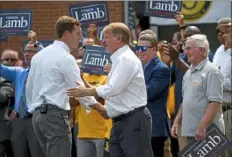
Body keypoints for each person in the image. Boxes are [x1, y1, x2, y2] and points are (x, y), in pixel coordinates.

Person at [66, 22, 154, 157]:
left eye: (106, 37)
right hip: (120, 121)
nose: (103, 41)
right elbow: (114, 92)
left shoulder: (126, 59)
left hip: (133, 121)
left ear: (119, 39)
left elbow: (113, 89)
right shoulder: (120, 59)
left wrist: (87, 91)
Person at [26, 16, 105, 157]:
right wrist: (100, 108)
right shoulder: (66, 58)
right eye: (78, 33)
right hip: (54, 116)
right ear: (66, 34)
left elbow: (29, 88)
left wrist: (34, 108)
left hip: (38, 118)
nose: (80, 37)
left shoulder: (39, 56)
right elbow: (79, 90)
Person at [171, 34, 225, 148]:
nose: (185, 52)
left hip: (207, 134)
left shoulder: (212, 71)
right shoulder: (188, 72)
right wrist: (177, 121)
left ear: (201, 50)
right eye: (185, 49)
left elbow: (215, 102)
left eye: (188, 48)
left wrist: (202, 126)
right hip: (190, 133)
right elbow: (185, 101)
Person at [0, 44, 44, 157]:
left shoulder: (43, 72)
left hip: (34, 119)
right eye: (25, 51)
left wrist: (37, 44)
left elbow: (48, 57)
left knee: (37, 153)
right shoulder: (18, 72)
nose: (27, 53)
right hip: (18, 120)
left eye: (31, 51)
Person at [136, 31, 170, 157]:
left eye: (143, 48)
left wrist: (129, 86)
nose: (139, 51)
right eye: (138, 48)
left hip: (154, 127)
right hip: (140, 126)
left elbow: (149, 93)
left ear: (154, 49)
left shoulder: (161, 69)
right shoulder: (140, 66)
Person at [0, 49, 18, 157]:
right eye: (6, 59)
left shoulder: (5, 80)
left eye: (12, 59)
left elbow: (2, 96)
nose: (9, 62)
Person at [219, 21, 232, 157]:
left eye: (227, 33)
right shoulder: (223, 53)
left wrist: (216, 78)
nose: (224, 36)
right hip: (222, 111)